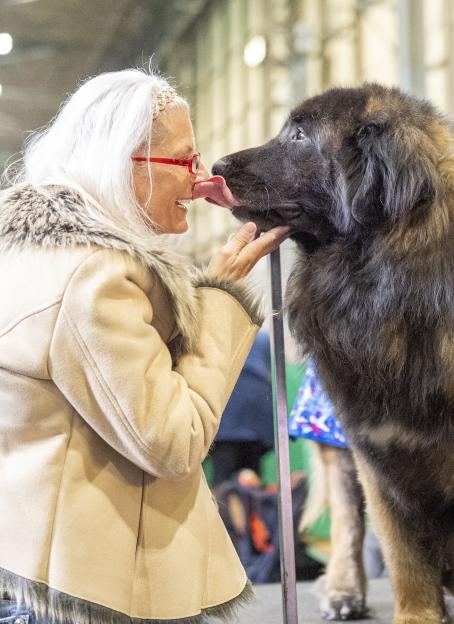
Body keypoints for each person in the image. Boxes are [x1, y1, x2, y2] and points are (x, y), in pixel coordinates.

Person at [0, 69, 289, 624]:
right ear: (123, 161)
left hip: (40, 570)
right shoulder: (93, 278)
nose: (200, 177)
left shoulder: (39, 258)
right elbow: (171, 441)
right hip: (81, 597)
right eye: (183, 161)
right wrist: (220, 298)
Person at [211, 330, 275, 487]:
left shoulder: (227, 333)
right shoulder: (262, 337)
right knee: (251, 480)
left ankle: (224, 511)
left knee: (223, 481)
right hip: (257, 414)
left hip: (228, 412)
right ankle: (252, 508)